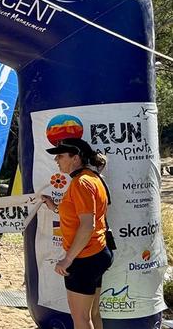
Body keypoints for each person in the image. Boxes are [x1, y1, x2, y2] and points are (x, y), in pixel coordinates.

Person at [40, 138, 113, 329]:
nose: (56, 160)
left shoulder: (81, 183)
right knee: (93, 314)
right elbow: (81, 214)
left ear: (76, 158)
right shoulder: (93, 178)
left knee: (80, 318)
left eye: (61, 155)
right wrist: (55, 207)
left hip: (85, 258)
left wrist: (68, 259)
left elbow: (87, 225)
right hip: (97, 253)